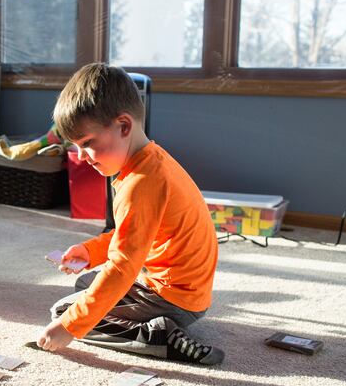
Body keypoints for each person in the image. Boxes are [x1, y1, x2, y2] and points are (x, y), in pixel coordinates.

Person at [36, 63, 223, 365]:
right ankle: (157, 325)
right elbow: (131, 234)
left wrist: (70, 326)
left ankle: (159, 336)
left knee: (63, 312)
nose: (81, 157)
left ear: (123, 126)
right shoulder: (150, 162)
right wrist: (90, 251)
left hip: (174, 298)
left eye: (87, 144)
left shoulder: (140, 183)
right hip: (182, 289)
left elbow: (123, 266)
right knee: (86, 284)